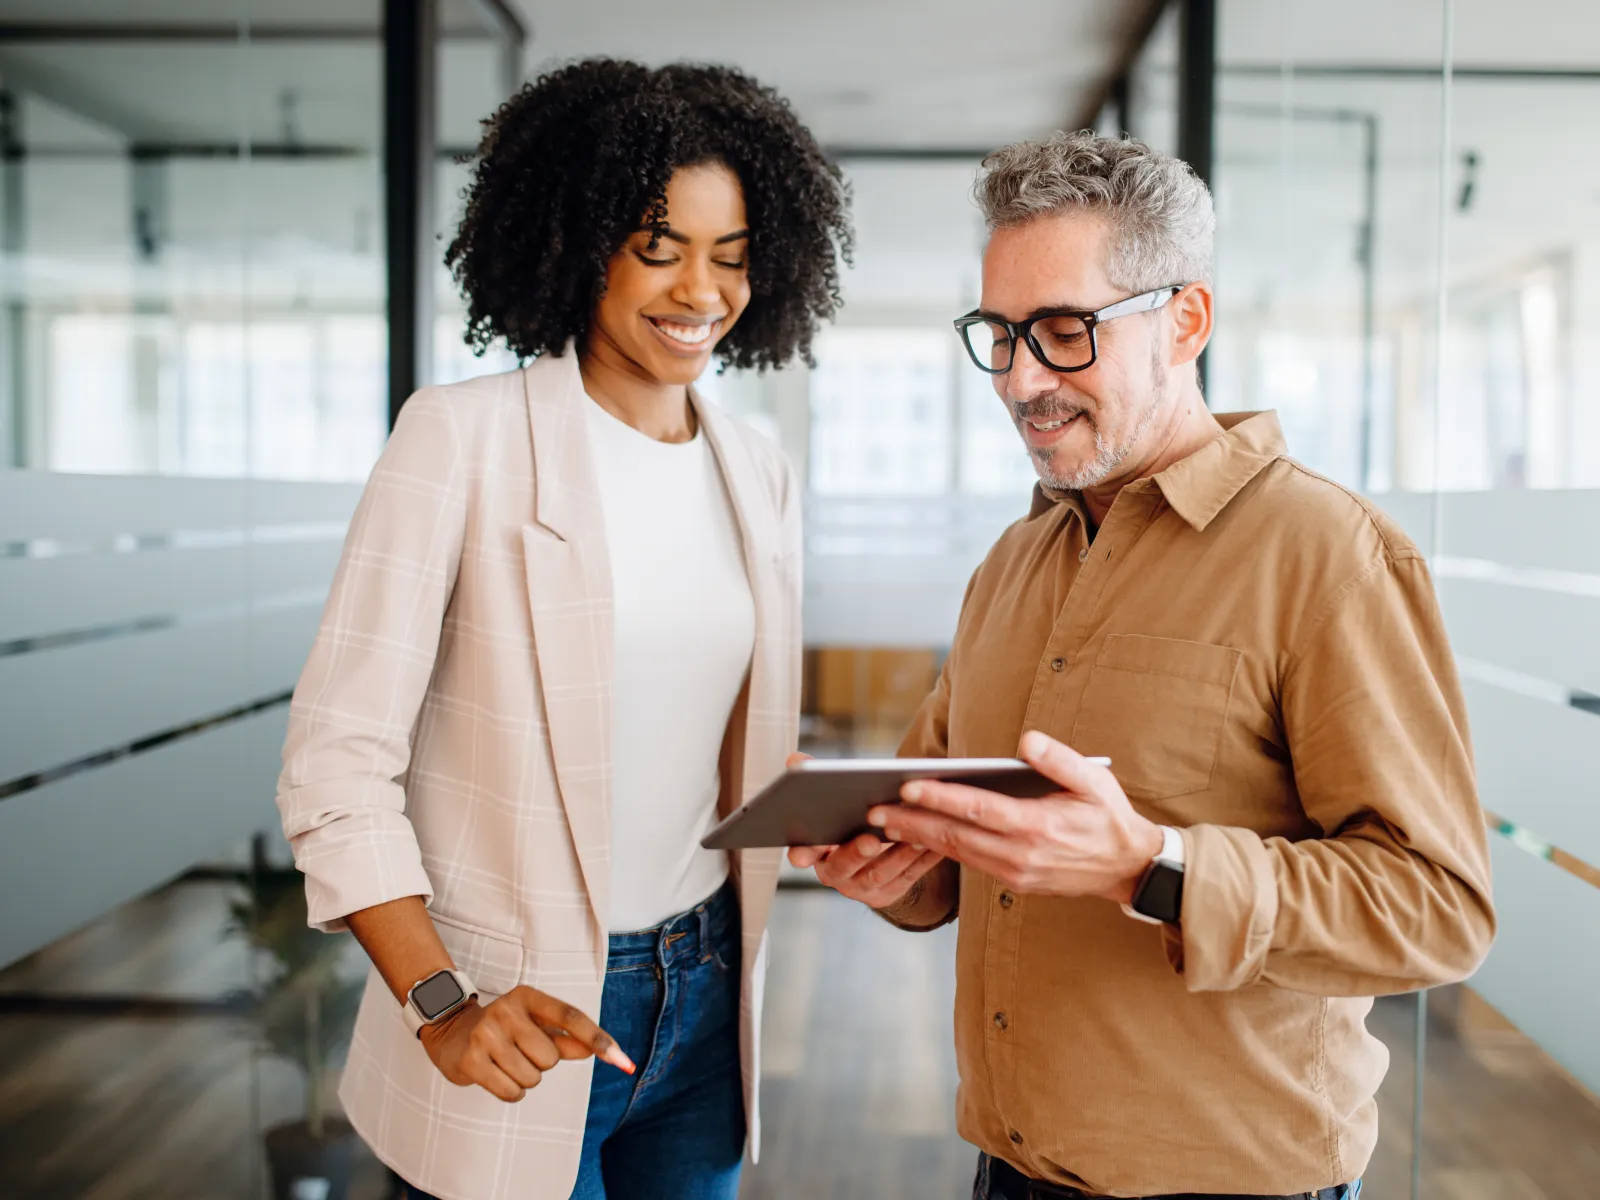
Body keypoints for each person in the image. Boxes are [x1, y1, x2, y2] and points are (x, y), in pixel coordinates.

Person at [792, 131, 1495, 1200]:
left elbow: (1435, 909)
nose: (1022, 378)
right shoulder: (1013, 562)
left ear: (1186, 321)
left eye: (1065, 332)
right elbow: (948, 840)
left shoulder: (1330, 555)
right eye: (1001, 333)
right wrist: (894, 873)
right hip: (1007, 1166)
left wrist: (1150, 866)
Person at [277, 58, 849, 1200]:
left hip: (707, 987)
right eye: (659, 246)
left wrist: (823, 807)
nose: (702, 290)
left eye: (731, 257)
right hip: (512, 1009)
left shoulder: (758, 471)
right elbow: (336, 764)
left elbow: (705, 738)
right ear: (577, 238)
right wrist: (441, 1002)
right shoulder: (460, 440)